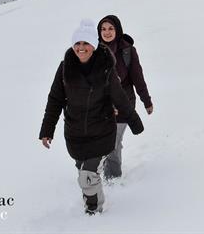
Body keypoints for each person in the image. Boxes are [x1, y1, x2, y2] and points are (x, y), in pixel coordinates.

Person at [39, 19, 144, 215]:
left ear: (94, 46)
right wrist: (47, 130)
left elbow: (120, 97)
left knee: (87, 174)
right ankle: (94, 194)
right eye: (77, 43)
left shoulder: (105, 68)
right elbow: (55, 100)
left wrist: (135, 121)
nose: (81, 47)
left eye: (86, 43)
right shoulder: (65, 68)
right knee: (83, 171)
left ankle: (93, 210)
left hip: (102, 131)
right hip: (75, 133)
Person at [97, 15, 154, 180]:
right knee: (100, 140)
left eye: (110, 28)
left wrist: (146, 101)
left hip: (124, 103)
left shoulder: (127, 50)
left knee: (113, 141)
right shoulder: (93, 50)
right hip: (101, 105)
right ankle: (96, 171)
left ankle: (113, 177)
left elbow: (138, 78)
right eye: (103, 29)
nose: (107, 32)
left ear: (117, 30)